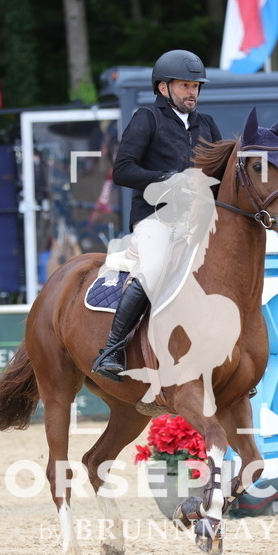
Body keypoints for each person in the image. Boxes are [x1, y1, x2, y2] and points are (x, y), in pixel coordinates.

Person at [91, 50, 222, 382]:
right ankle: (112, 350)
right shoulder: (146, 118)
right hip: (156, 217)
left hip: (199, 221)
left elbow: (220, 176)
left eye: (196, 86)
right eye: (184, 86)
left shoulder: (206, 124)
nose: (192, 92)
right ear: (163, 88)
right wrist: (168, 179)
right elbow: (123, 170)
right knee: (153, 269)